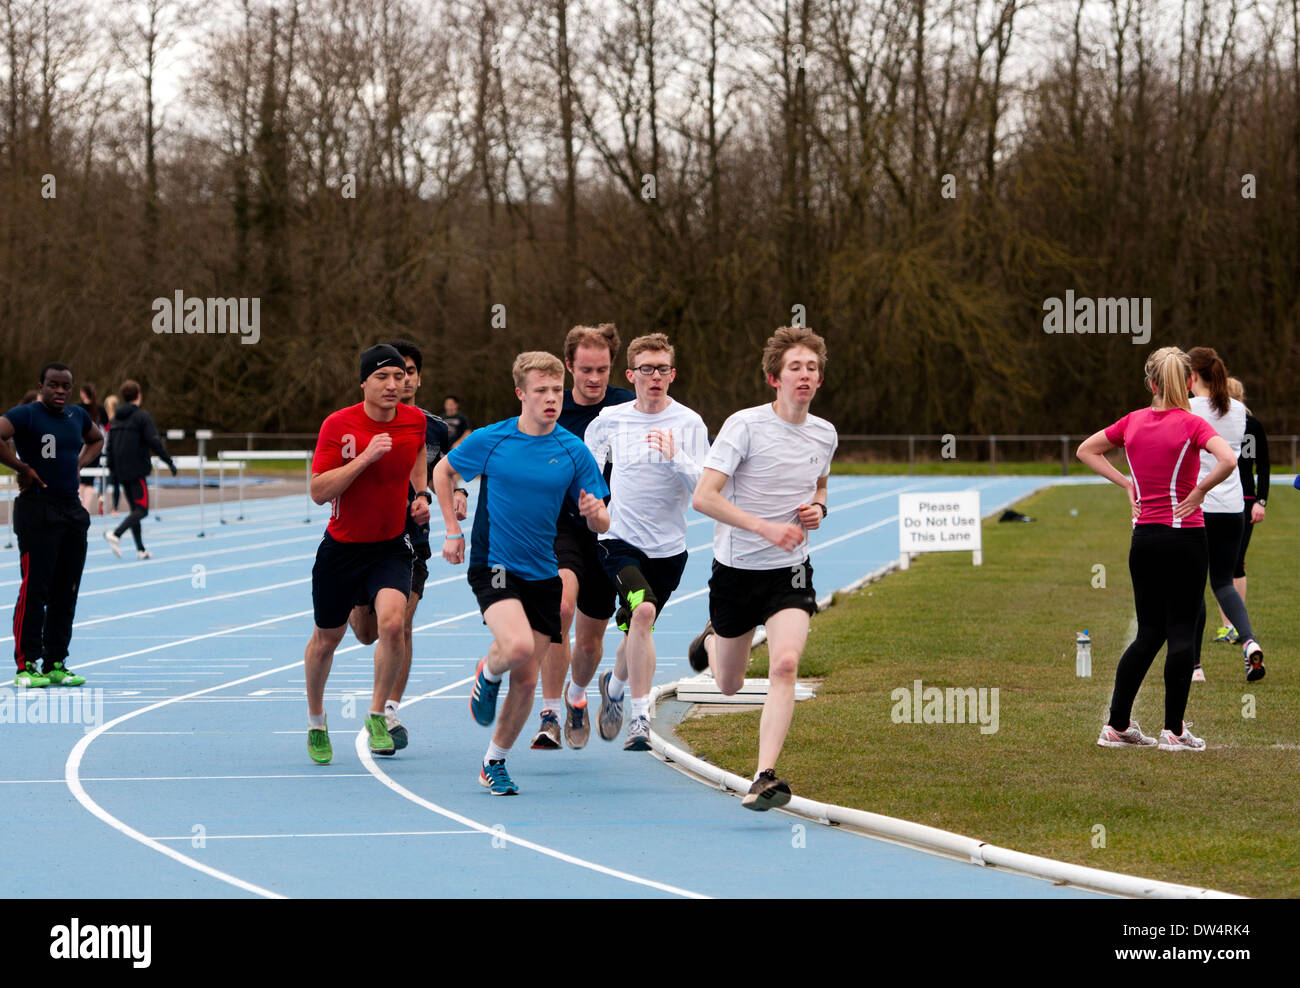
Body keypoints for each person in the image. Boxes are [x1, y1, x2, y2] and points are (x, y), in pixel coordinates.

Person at [433, 351, 610, 795]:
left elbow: (602, 519)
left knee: (528, 678)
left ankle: (494, 761)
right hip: (494, 564)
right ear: (521, 394)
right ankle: (488, 672)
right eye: (541, 392)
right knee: (514, 647)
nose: (551, 399)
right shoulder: (493, 440)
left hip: (543, 573)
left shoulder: (572, 449)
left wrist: (594, 514)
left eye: (556, 391)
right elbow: (444, 469)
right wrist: (453, 530)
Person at [685, 327, 837, 810]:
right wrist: (764, 527)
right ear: (775, 377)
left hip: (789, 572)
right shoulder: (744, 426)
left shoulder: (824, 433)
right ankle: (712, 639)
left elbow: (820, 487)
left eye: (812, 368)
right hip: (736, 571)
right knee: (728, 683)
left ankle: (764, 775)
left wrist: (818, 508)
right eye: (795, 367)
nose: (805, 376)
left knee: (785, 663)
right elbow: (703, 498)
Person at [1079, 346, 1236, 753]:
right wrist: (1201, 490)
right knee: (1182, 630)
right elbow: (1229, 460)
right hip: (1184, 538)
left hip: (1144, 539)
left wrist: (1126, 482)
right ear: (1187, 382)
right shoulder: (1192, 424)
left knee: (1149, 633)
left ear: (1150, 383)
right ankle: (1174, 732)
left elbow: (1085, 449)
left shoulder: (1131, 422)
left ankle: (1116, 725)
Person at [303, 344, 430, 765]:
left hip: (391, 546)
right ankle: (317, 721)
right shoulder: (338, 425)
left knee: (394, 624)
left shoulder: (414, 422)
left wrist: (421, 494)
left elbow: (415, 459)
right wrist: (364, 458)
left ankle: (377, 714)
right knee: (327, 640)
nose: (394, 385)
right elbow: (319, 492)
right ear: (363, 383)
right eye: (382, 377)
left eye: (399, 377)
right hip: (341, 549)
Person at [584, 334, 709, 749]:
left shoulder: (689, 424)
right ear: (631, 375)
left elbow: (704, 492)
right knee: (642, 613)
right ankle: (640, 719)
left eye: (662, 370)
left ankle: (614, 688)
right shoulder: (610, 420)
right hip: (618, 540)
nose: (654, 377)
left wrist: (678, 458)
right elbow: (587, 473)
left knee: (638, 628)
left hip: (669, 550)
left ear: (672, 375)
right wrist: (592, 508)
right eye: (646, 369)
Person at [345, 339, 468, 752]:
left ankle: (388, 710)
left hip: (410, 541)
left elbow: (450, 470)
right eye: (394, 373)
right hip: (362, 538)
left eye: (410, 372)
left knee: (400, 624)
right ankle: (353, 602)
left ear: (418, 377)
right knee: (367, 633)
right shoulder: (359, 423)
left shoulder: (433, 427)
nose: (403, 381)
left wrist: (460, 494)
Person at [531, 323, 634, 750]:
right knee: (560, 608)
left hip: (613, 530)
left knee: (591, 641)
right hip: (562, 527)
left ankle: (578, 696)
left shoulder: (629, 407)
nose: (594, 379)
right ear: (569, 366)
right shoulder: (552, 408)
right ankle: (550, 711)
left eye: (603, 370)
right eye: (586, 369)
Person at [0, 363, 104, 688]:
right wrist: (21, 467)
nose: (60, 391)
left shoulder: (77, 417)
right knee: (35, 589)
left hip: (71, 510)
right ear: (41, 385)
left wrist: (79, 462)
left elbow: (97, 439)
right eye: (53, 385)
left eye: (65, 386)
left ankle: (55, 661)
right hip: (37, 510)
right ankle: (26, 664)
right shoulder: (27, 415)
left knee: (66, 590)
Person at [1186, 348, 1265, 683]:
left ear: (1191, 377)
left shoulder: (1187, 408)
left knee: (1192, 585)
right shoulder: (1239, 411)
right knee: (1223, 582)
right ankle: (1248, 642)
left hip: (1198, 505)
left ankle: (1195, 667)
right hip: (1234, 508)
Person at [1208, 377, 1268, 652]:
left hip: (1241, 498)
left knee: (1234, 563)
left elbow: (1263, 466)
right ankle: (1230, 626)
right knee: (1221, 565)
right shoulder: (1217, 424)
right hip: (1218, 500)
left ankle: (1232, 625)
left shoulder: (1251, 425)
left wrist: (1260, 501)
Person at [104, 380, 177, 560]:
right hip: (136, 471)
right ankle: (116, 533)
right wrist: (169, 462)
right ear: (138, 395)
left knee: (134, 510)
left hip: (121, 471)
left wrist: (113, 472)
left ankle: (141, 549)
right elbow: (154, 441)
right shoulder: (142, 416)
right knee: (142, 510)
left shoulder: (115, 419)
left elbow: (110, 447)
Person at [76, 384, 108, 513]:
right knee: (89, 482)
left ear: (83, 394)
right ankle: (85, 509)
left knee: (79, 478)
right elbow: (107, 428)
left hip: (79, 446)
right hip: (94, 447)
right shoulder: (100, 409)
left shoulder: (78, 409)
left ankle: (79, 507)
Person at [102, 393, 122, 515]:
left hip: (111, 455)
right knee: (111, 483)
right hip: (108, 453)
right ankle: (111, 507)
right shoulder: (107, 421)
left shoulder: (116, 421)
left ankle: (112, 506)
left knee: (112, 483)